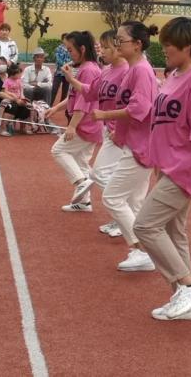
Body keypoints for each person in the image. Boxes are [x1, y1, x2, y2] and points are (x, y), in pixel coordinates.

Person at [132, 16, 191, 321]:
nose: (164, 49)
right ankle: (185, 303)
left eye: (170, 45)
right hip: (167, 165)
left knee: (144, 226)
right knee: (174, 232)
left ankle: (189, 286)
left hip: (184, 167)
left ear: (187, 46)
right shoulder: (174, 75)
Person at [89, 22, 159, 272]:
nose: (116, 44)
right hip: (133, 142)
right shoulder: (134, 69)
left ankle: (142, 250)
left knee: (113, 198)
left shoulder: (141, 70)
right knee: (135, 202)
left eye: (121, 40)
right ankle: (146, 250)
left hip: (140, 146)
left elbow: (140, 108)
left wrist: (105, 116)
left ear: (137, 44)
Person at [61, 29, 129, 237]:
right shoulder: (107, 70)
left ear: (118, 47)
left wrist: (108, 118)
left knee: (99, 174)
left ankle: (125, 221)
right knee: (108, 175)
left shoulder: (128, 71)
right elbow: (90, 92)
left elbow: (136, 106)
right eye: (101, 46)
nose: (101, 50)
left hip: (123, 133)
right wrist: (71, 79)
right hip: (111, 130)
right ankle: (121, 219)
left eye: (106, 47)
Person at [47, 31, 103, 212]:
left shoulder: (89, 70)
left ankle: (81, 182)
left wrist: (72, 126)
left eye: (70, 50)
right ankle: (84, 202)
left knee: (58, 150)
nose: (68, 54)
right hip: (90, 124)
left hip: (86, 124)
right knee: (81, 162)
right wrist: (56, 108)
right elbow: (74, 95)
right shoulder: (86, 68)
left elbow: (84, 102)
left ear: (82, 49)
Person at [0, 57, 30, 133]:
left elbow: (20, 89)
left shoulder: (11, 77)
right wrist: (16, 100)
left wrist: (22, 99)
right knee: (12, 106)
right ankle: (2, 128)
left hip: (13, 100)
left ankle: (23, 128)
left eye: (3, 63)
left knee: (26, 106)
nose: (1, 65)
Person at [51, 33, 72, 106]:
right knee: (54, 88)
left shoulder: (71, 49)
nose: (67, 40)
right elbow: (58, 59)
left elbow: (72, 58)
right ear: (62, 40)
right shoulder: (58, 48)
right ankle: (50, 104)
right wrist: (65, 65)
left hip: (67, 72)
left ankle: (61, 106)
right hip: (59, 72)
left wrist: (68, 65)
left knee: (65, 90)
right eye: (65, 38)